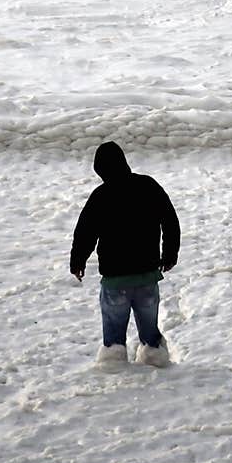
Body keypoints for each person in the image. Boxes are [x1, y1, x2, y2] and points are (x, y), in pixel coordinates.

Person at [70, 141, 181, 367]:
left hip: (115, 279)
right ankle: (154, 357)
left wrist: (78, 260)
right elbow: (170, 221)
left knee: (113, 329)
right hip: (147, 276)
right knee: (149, 328)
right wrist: (170, 254)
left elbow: (85, 232)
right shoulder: (148, 186)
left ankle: (114, 363)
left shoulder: (100, 196)